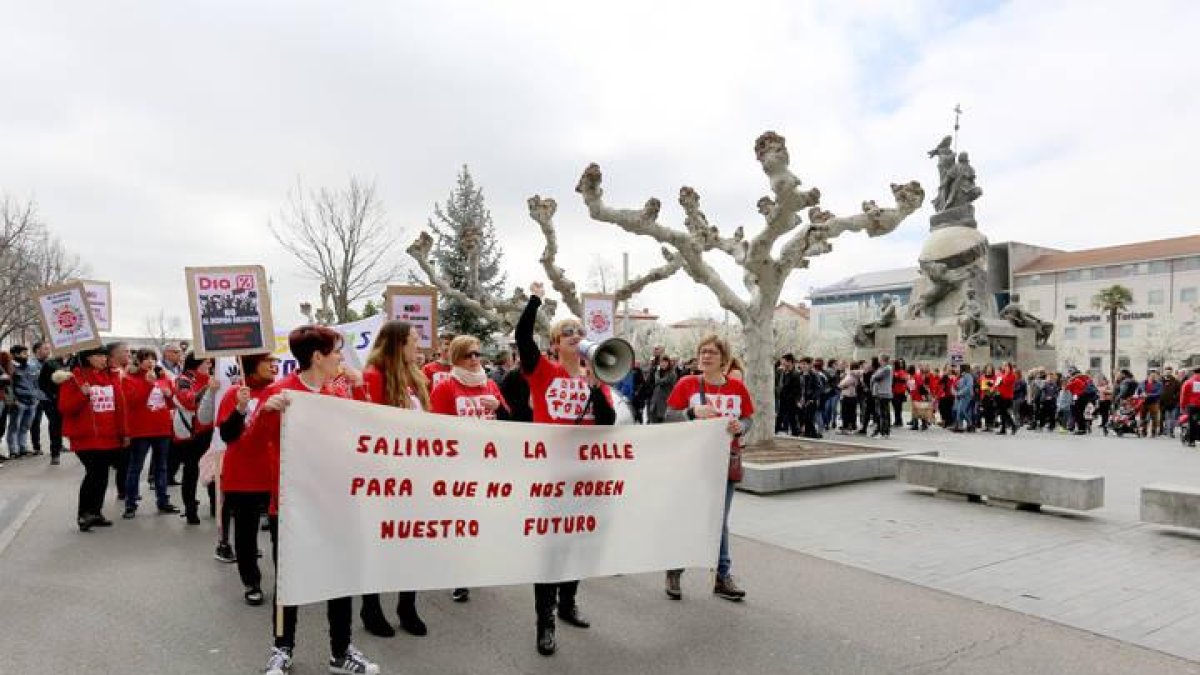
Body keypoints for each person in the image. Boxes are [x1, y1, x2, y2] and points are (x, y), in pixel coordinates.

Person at [229, 328, 380, 675]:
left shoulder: (337, 392)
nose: (341, 359)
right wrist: (265, 412)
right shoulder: (280, 393)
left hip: (337, 504)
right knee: (290, 581)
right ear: (316, 357)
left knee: (339, 578)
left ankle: (341, 651)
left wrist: (361, 390)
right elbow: (249, 448)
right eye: (336, 353)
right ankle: (282, 648)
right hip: (293, 506)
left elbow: (367, 434)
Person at [517, 282, 616, 657]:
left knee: (576, 543)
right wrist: (535, 300)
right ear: (555, 344)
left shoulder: (596, 380)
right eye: (567, 333)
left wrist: (594, 387)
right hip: (550, 477)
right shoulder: (542, 371)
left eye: (580, 332)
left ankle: (569, 602)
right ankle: (545, 622)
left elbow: (606, 423)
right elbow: (523, 336)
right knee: (551, 550)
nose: (576, 336)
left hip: (587, 478)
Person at [664, 333, 752, 602]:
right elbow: (668, 417)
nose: (705, 356)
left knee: (719, 521)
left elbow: (748, 419)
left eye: (712, 352)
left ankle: (722, 576)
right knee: (688, 516)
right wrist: (692, 414)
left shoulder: (737, 389)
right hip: (691, 464)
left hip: (725, 463)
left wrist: (741, 427)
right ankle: (675, 569)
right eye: (702, 351)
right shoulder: (687, 383)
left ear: (724, 358)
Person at [358, 320, 432, 639]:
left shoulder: (417, 378)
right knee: (378, 544)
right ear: (398, 344)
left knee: (412, 543)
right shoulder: (372, 377)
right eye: (414, 341)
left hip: (415, 475)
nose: (419, 346)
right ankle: (371, 606)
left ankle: (407, 605)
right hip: (382, 477)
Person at [217, 352, 278, 606]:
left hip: (274, 472)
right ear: (252, 367)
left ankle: (286, 582)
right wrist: (240, 408)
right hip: (243, 474)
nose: (273, 366)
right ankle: (251, 581)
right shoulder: (235, 393)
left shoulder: (279, 391)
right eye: (268, 362)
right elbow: (227, 435)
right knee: (246, 533)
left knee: (280, 532)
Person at [56, 346, 127, 531]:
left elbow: (119, 407)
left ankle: (96, 512)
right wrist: (83, 395)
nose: (104, 358)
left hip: (109, 436)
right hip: (86, 436)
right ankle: (84, 514)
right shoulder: (74, 379)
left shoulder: (111, 376)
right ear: (87, 358)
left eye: (105, 355)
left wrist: (124, 432)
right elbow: (65, 408)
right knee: (94, 472)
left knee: (102, 475)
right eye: (98, 355)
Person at [120, 349, 179, 518]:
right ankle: (130, 503)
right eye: (146, 358)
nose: (150, 362)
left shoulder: (163, 377)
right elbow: (133, 402)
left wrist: (169, 395)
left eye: (153, 358)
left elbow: (171, 404)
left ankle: (163, 501)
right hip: (141, 430)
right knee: (135, 467)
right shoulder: (129, 379)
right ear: (138, 361)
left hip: (162, 428)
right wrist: (147, 384)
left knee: (161, 467)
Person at [174, 352, 221, 525]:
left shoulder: (213, 377)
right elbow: (188, 401)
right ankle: (190, 509)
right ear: (196, 362)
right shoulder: (183, 379)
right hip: (192, 434)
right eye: (206, 361)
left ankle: (215, 506)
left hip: (211, 430)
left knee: (213, 470)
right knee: (191, 471)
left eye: (210, 361)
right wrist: (208, 388)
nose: (210, 364)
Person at [106, 342, 133, 499]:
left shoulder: (125, 371)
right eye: (126, 351)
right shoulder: (111, 373)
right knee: (123, 460)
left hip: (130, 422)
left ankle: (126, 489)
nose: (129, 354)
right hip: (117, 423)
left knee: (128, 460)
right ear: (113, 355)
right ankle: (123, 491)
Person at [36, 345, 68, 464]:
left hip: (70, 399)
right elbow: (41, 382)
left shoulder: (75, 361)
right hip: (55, 400)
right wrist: (52, 396)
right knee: (55, 424)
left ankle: (62, 445)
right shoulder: (50, 363)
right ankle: (55, 453)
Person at [7, 345, 39, 457]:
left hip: (31, 401)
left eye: (27, 353)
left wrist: (37, 397)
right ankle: (13, 451)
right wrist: (12, 399)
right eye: (24, 353)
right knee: (14, 427)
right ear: (15, 354)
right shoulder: (11, 367)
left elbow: (35, 383)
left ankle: (23, 448)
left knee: (25, 427)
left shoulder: (30, 367)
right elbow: (9, 385)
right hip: (18, 401)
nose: (27, 355)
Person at [870, 354, 894, 438]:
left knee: (883, 414)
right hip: (880, 393)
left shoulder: (887, 368)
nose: (878, 360)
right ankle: (882, 431)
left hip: (883, 393)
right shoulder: (882, 368)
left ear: (883, 360)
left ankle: (884, 432)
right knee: (882, 413)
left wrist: (873, 376)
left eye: (880, 359)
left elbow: (876, 377)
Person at [994, 362, 1018, 435]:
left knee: (1005, 412)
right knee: (1002, 413)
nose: (1005, 367)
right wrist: (994, 384)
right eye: (1004, 366)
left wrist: (1000, 381)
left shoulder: (1012, 375)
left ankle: (1013, 425)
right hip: (1000, 395)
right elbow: (997, 384)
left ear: (1010, 367)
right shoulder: (1001, 374)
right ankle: (1004, 429)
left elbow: (1007, 383)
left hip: (1007, 396)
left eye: (1007, 366)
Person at [1139, 370, 1163, 438]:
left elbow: (1159, 393)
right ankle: (1143, 431)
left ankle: (1153, 432)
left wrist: (1148, 395)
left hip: (1153, 402)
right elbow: (1138, 390)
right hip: (1143, 402)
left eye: (1154, 376)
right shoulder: (1142, 383)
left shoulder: (1159, 384)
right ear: (1148, 376)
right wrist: (1139, 394)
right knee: (1142, 417)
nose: (1153, 377)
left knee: (1154, 418)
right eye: (1152, 376)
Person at [838, 363, 860, 434]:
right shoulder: (857, 376)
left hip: (847, 396)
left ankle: (846, 427)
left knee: (845, 413)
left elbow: (841, 385)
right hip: (853, 396)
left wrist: (841, 385)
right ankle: (852, 426)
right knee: (852, 412)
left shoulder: (851, 376)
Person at [1181, 366, 1200, 447]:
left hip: (1193, 405)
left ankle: (1191, 441)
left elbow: (1184, 395)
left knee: (1192, 422)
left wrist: (1182, 406)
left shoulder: (1188, 382)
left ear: (1194, 372)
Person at [1161, 368, 1182, 438]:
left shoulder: (1176, 381)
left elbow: (1179, 391)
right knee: (1166, 418)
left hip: (1173, 403)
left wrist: (1175, 397)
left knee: (1173, 418)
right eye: (1167, 371)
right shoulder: (1162, 381)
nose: (1168, 373)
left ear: (1171, 372)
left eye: (1169, 372)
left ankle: (1171, 431)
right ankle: (1167, 431)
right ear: (1165, 372)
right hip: (1164, 403)